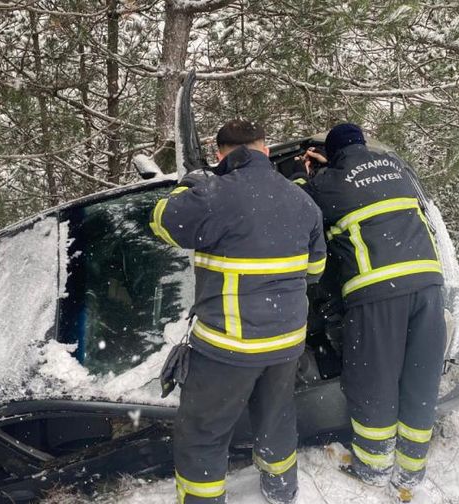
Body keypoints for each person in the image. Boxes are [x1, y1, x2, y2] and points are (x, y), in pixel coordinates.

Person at [149, 119, 327, 504]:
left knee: (203, 432)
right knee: (276, 417)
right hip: (286, 343)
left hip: (229, 346)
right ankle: (282, 490)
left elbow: (162, 223)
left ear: (220, 155)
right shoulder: (303, 201)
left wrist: (190, 181)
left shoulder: (214, 193)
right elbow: (315, 272)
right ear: (265, 150)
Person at [295, 123, 446, 501]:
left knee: (373, 379)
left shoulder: (328, 181)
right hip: (428, 285)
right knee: (419, 379)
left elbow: (297, 205)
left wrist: (307, 172)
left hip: (378, 289)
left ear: (330, 153)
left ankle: (373, 466)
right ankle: (410, 473)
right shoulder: (395, 168)